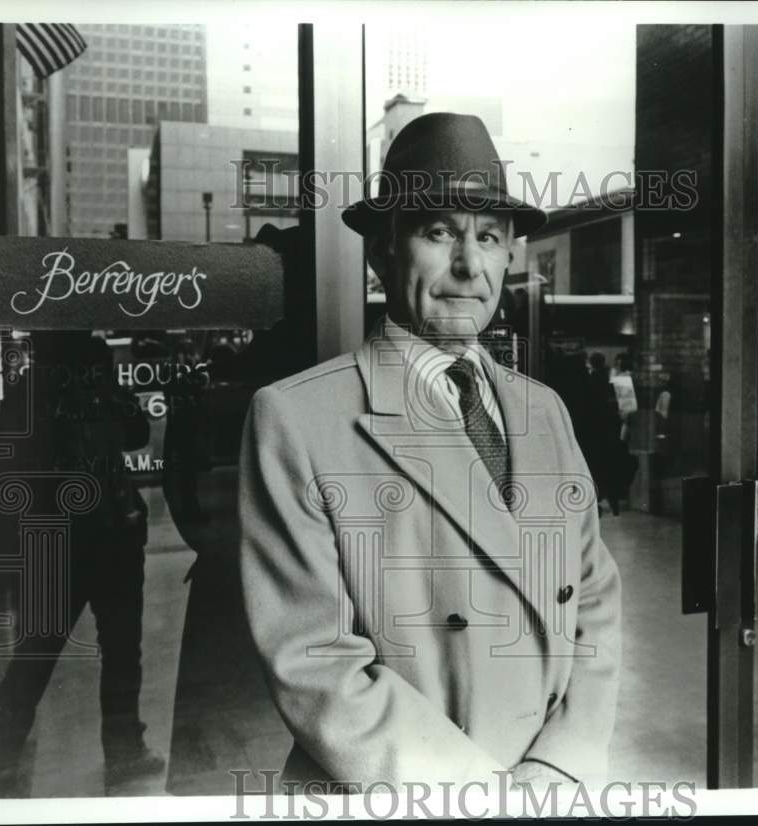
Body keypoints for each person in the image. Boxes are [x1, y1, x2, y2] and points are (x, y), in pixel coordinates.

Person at [238, 113, 622, 792]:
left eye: (490, 238)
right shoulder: (296, 418)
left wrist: (563, 761)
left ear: (509, 257)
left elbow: (593, 595)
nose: (469, 266)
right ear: (384, 253)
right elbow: (314, 662)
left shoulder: (545, 411)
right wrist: (487, 796)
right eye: (439, 232)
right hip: (404, 793)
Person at [0, 331, 164, 797]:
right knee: (121, 650)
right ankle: (123, 751)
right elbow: (137, 433)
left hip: (52, 543)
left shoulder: (23, 394)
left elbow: (5, 470)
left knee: (34, 656)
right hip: (111, 533)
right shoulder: (98, 389)